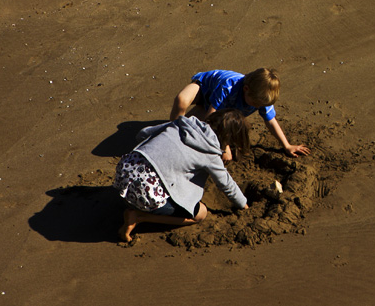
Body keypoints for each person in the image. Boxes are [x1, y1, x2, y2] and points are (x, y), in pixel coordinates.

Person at [115, 110, 250, 243]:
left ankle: (134, 201)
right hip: (144, 191)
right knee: (200, 213)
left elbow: (143, 134)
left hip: (124, 172)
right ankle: (139, 217)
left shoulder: (183, 123)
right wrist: (243, 205)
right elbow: (226, 184)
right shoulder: (211, 153)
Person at [170, 67, 310, 157]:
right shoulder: (228, 86)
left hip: (219, 109)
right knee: (181, 100)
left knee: (192, 128)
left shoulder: (261, 97)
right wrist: (224, 147)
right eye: (256, 104)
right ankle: (171, 131)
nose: (258, 107)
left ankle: (181, 134)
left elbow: (271, 121)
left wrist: (287, 146)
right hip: (205, 89)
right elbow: (211, 118)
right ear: (246, 89)